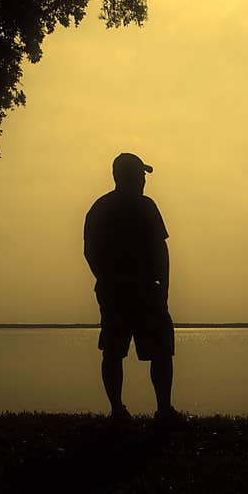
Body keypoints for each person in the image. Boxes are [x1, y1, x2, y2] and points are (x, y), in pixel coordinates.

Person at [83, 152, 181, 427]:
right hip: (135, 291)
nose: (143, 180)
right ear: (123, 176)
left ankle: (155, 410)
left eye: (143, 175)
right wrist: (110, 280)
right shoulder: (136, 206)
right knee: (119, 351)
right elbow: (91, 251)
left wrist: (162, 288)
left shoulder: (109, 207)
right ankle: (128, 411)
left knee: (148, 351)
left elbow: (161, 250)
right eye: (139, 174)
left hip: (138, 291)